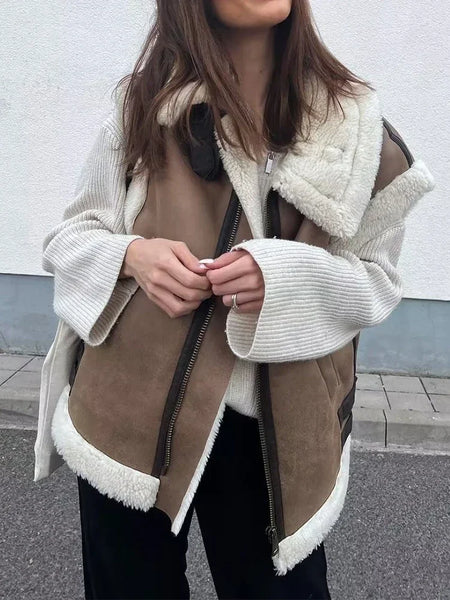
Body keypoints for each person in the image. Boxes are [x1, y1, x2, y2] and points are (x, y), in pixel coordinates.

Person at [33, 1, 435, 599]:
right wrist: (132, 256)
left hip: (275, 431)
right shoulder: (145, 103)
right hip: (128, 414)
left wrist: (285, 279)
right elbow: (71, 237)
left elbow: (377, 281)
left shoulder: (353, 124)